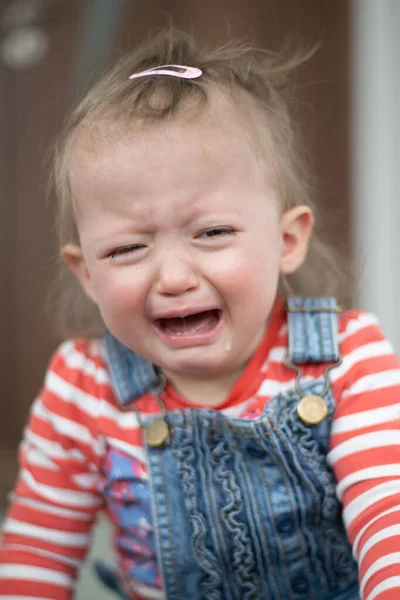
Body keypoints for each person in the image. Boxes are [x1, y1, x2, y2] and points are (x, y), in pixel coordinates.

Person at [1, 28, 400, 600]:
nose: (173, 277)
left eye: (211, 233)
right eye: (126, 249)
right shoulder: (81, 387)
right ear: (86, 272)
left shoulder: (347, 359)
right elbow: (35, 550)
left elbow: (387, 513)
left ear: (287, 239)